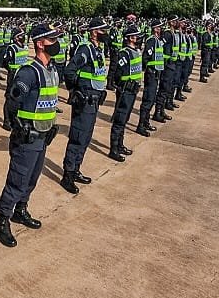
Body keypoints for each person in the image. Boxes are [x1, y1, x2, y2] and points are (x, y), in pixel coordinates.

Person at [0, 23, 63, 247]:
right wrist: (17, 126)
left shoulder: (52, 69)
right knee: (18, 179)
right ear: (40, 43)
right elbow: (13, 100)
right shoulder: (29, 71)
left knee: (32, 177)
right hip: (28, 135)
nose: (56, 43)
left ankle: (20, 210)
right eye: (52, 40)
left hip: (43, 134)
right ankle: (2, 220)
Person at [61, 19, 110, 194]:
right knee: (78, 137)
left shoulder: (98, 49)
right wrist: (76, 91)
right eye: (103, 30)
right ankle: (67, 174)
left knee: (86, 137)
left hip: (94, 100)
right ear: (95, 32)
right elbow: (69, 71)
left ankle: (76, 170)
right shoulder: (85, 49)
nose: (106, 33)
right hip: (85, 100)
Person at [108, 25, 143, 160]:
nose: (138, 38)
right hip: (125, 90)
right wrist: (121, 85)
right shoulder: (124, 53)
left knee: (125, 119)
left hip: (133, 90)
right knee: (119, 120)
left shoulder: (137, 51)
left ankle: (120, 145)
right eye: (135, 36)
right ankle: (114, 148)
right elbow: (118, 72)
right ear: (129, 38)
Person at [137, 19, 166, 134]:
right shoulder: (151, 40)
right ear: (155, 28)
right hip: (151, 73)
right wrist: (148, 69)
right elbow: (146, 57)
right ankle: (141, 125)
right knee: (148, 99)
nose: (161, 29)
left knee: (152, 99)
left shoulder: (157, 40)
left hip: (156, 73)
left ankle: (146, 122)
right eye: (159, 27)